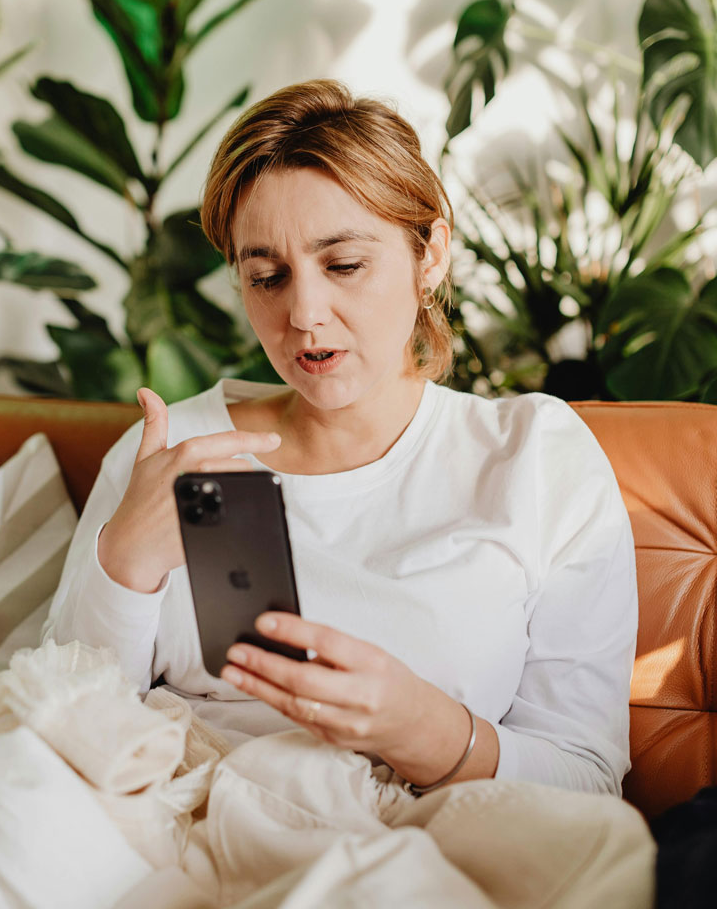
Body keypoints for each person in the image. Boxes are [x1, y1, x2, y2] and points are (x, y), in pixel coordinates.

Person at [45, 79, 637, 798]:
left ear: (431, 256)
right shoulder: (176, 448)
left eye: (345, 265)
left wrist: (420, 727)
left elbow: (588, 781)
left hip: (428, 838)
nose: (303, 314)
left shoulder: (535, 459)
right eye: (266, 276)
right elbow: (52, 732)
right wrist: (124, 567)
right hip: (169, 822)